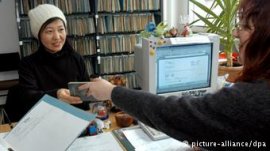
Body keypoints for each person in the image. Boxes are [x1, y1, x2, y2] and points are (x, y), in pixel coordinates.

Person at [79, 0, 270, 150]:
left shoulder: (254, 97)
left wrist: (112, 91)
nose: (236, 33)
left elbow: (173, 113)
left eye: (245, 27)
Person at [5, 4, 91, 122]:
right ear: (38, 36)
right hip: (41, 121)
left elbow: (85, 101)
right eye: (49, 31)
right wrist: (57, 94)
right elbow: (29, 99)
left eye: (61, 29)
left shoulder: (76, 59)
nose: (57, 37)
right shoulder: (28, 64)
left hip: (73, 120)